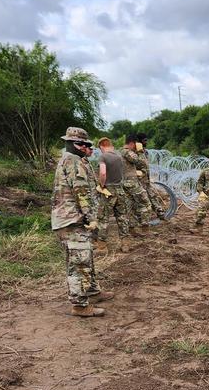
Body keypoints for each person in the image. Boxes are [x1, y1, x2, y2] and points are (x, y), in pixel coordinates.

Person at [51, 127, 114, 317]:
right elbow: (81, 193)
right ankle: (79, 305)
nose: (88, 148)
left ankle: (92, 291)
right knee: (79, 263)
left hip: (73, 219)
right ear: (76, 144)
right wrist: (91, 218)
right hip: (72, 220)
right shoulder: (73, 162)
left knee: (86, 257)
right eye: (85, 145)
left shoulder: (74, 160)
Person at [96, 137, 131, 253]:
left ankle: (102, 247)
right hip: (120, 190)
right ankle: (125, 244)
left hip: (108, 191)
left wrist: (101, 185)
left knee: (103, 218)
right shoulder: (119, 157)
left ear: (101, 146)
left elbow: (103, 172)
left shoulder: (103, 157)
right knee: (122, 218)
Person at [120, 134, 154, 233]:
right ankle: (145, 227)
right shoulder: (127, 152)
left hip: (125, 182)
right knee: (145, 203)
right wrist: (140, 152)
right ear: (131, 143)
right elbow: (142, 162)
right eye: (135, 144)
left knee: (129, 206)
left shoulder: (121, 152)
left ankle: (131, 229)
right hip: (131, 183)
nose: (136, 146)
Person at [136, 133, 168, 221]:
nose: (146, 142)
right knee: (141, 200)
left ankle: (160, 214)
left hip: (146, 180)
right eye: (144, 140)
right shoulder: (134, 152)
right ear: (139, 141)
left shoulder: (145, 152)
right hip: (138, 181)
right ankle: (140, 219)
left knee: (153, 196)